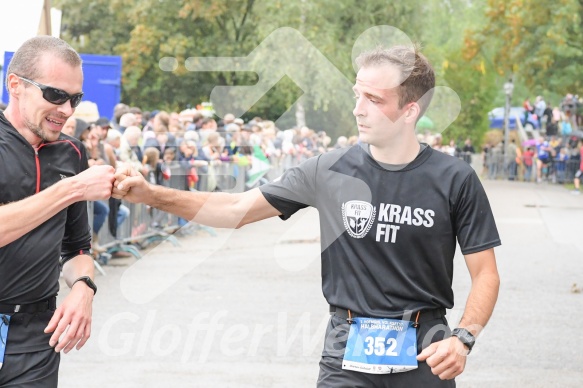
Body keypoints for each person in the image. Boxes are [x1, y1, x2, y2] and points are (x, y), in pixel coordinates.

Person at [113, 45, 501, 386]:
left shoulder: (455, 180)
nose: (358, 109)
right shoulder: (328, 169)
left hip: (425, 350)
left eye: (373, 99)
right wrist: (152, 195)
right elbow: (236, 209)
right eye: (357, 94)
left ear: (409, 110)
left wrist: (464, 337)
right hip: (347, 348)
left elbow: (486, 273)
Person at [0, 36, 115, 386]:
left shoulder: (71, 152)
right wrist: (73, 188)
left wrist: (83, 287)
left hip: (37, 335)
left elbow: (77, 247)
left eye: (74, 98)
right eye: (55, 95)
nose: (66, 109)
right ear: (16, 85)